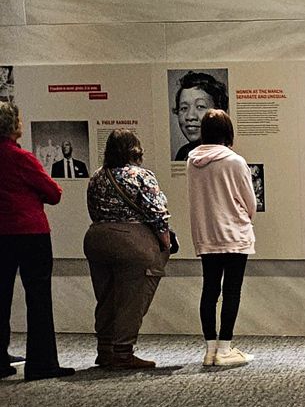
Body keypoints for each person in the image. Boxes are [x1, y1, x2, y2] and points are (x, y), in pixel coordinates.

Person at [86, 129, 173, 369]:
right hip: (131, 242)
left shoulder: (97, 176)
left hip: (97, 238)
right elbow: (158, 213)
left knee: (105, 297)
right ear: (135, 149)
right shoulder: (141, 175)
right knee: (131, 299)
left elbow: (93, 209)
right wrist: (165, 242)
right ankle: (123, 352)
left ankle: (104, 350)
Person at [0, 103, 74, 380]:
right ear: (12, 125)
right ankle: (41, 362)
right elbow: (53, 192)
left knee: (1, 296)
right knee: (39, 298)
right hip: (30, 233)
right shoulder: (21, 158)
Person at [186, 109, 255, 367]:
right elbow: (250, 202)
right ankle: (225, 348)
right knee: (232, 291)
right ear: (228, 132)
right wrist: (247, 217)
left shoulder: (192, 161)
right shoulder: (235, 161)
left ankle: (209, 349)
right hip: (234, 234)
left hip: (207, 233)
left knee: (209, 290)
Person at [172, 71, 228, 160]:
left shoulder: (226, 156)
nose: (190, 116)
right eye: (184, 108)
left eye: (200, 106)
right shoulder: (183, 154)